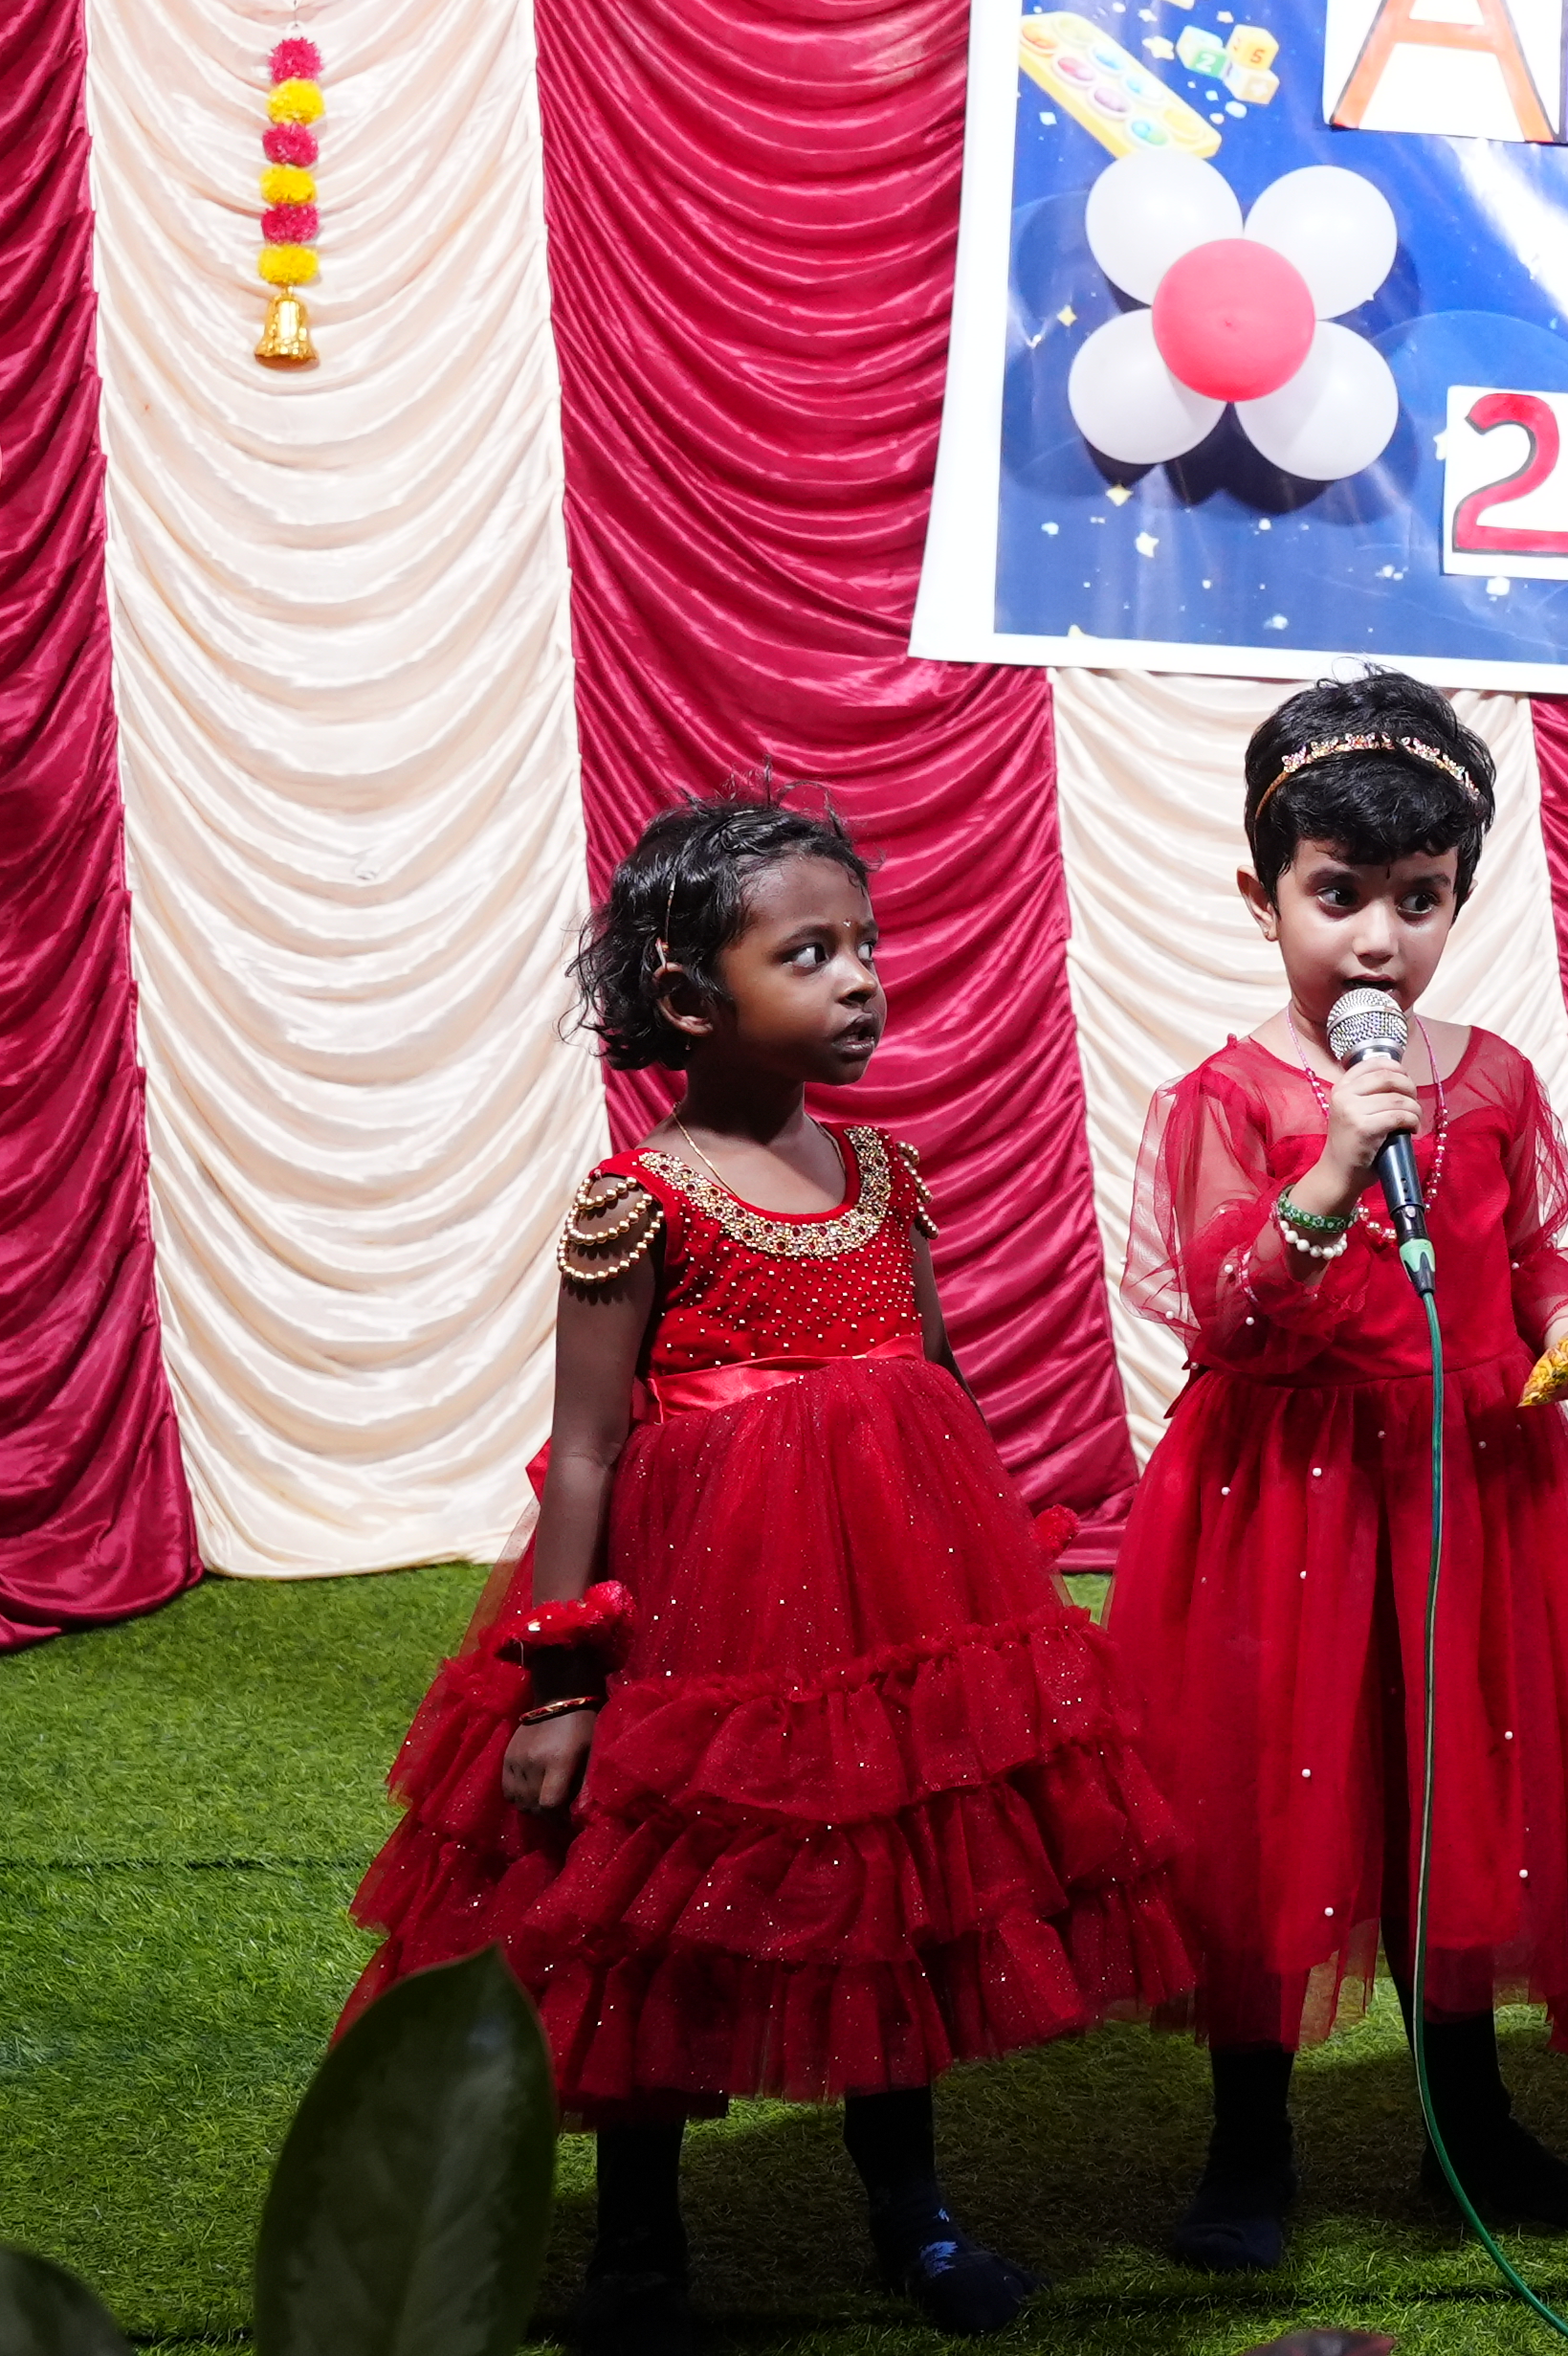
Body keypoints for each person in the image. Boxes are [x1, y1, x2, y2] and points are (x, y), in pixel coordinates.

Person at [343, 796, 1191, 2356]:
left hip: (891, 1607)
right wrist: (559, 1683)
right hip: (698, 1617)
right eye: (810, 954)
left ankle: (915, 2216)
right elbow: (585, 1448)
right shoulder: (642, 1198)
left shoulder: (885, 1175)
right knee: (655, 1907)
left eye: (863, 944)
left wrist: (986, 1594)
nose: (860, 977)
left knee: (904, 1891)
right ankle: (641, 2242)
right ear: (687, 999)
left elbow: (934, 1381)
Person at [1111, 676, 1568, 2266]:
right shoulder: (1227, 1097)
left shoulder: (1488, 1078)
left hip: (1469, 1480)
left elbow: (1532, 1253)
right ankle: (1248, 2139)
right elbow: (1224, 1315)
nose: (1377, 941)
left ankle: (1467, 2124)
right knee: (1270, 1809)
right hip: (1285, 1491)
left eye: (1419, 902)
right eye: (1338, 895)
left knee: (1457, 1794)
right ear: (1262, 894)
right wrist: (1335, 1166)